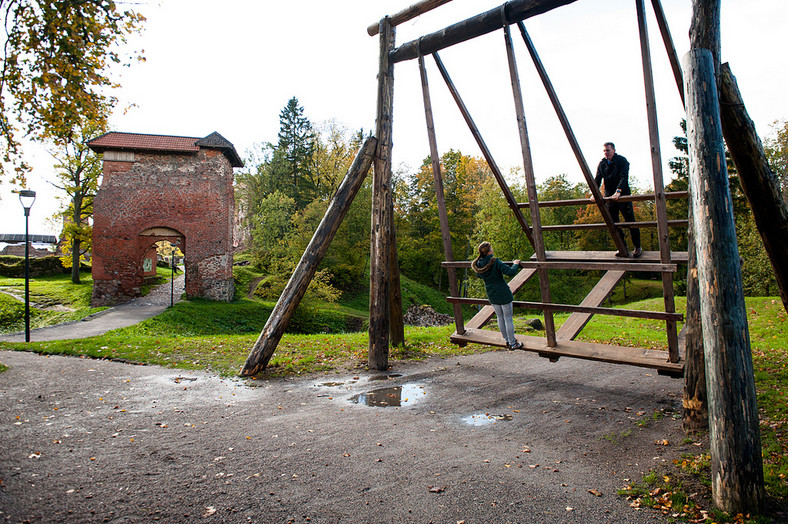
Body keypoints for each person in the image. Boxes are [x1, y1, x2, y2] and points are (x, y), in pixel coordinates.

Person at [591, 142, 642, 257]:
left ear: (613, 150)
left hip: (622, 196)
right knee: (613, 223)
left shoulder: (622, 161)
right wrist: (595, 193)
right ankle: (622, 247)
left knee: (630, 222)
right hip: (609, 197)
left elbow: (624, 176)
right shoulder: (602, 163)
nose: (606, 153)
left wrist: (618, 191)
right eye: (604, 151)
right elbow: (597, 179)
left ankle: (637, 247)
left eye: (608, 150)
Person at [471, 241, 522, 350]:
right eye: (491, 248)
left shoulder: (478, 264)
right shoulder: (495, 261)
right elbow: (510, 272)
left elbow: (479, 276)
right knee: (508, 318)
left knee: (500, 317)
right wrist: (516, 264)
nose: (492, 249)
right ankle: (513, 343)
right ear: (489, 251)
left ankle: (507, 340)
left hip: (491, 293)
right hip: (503, 292)